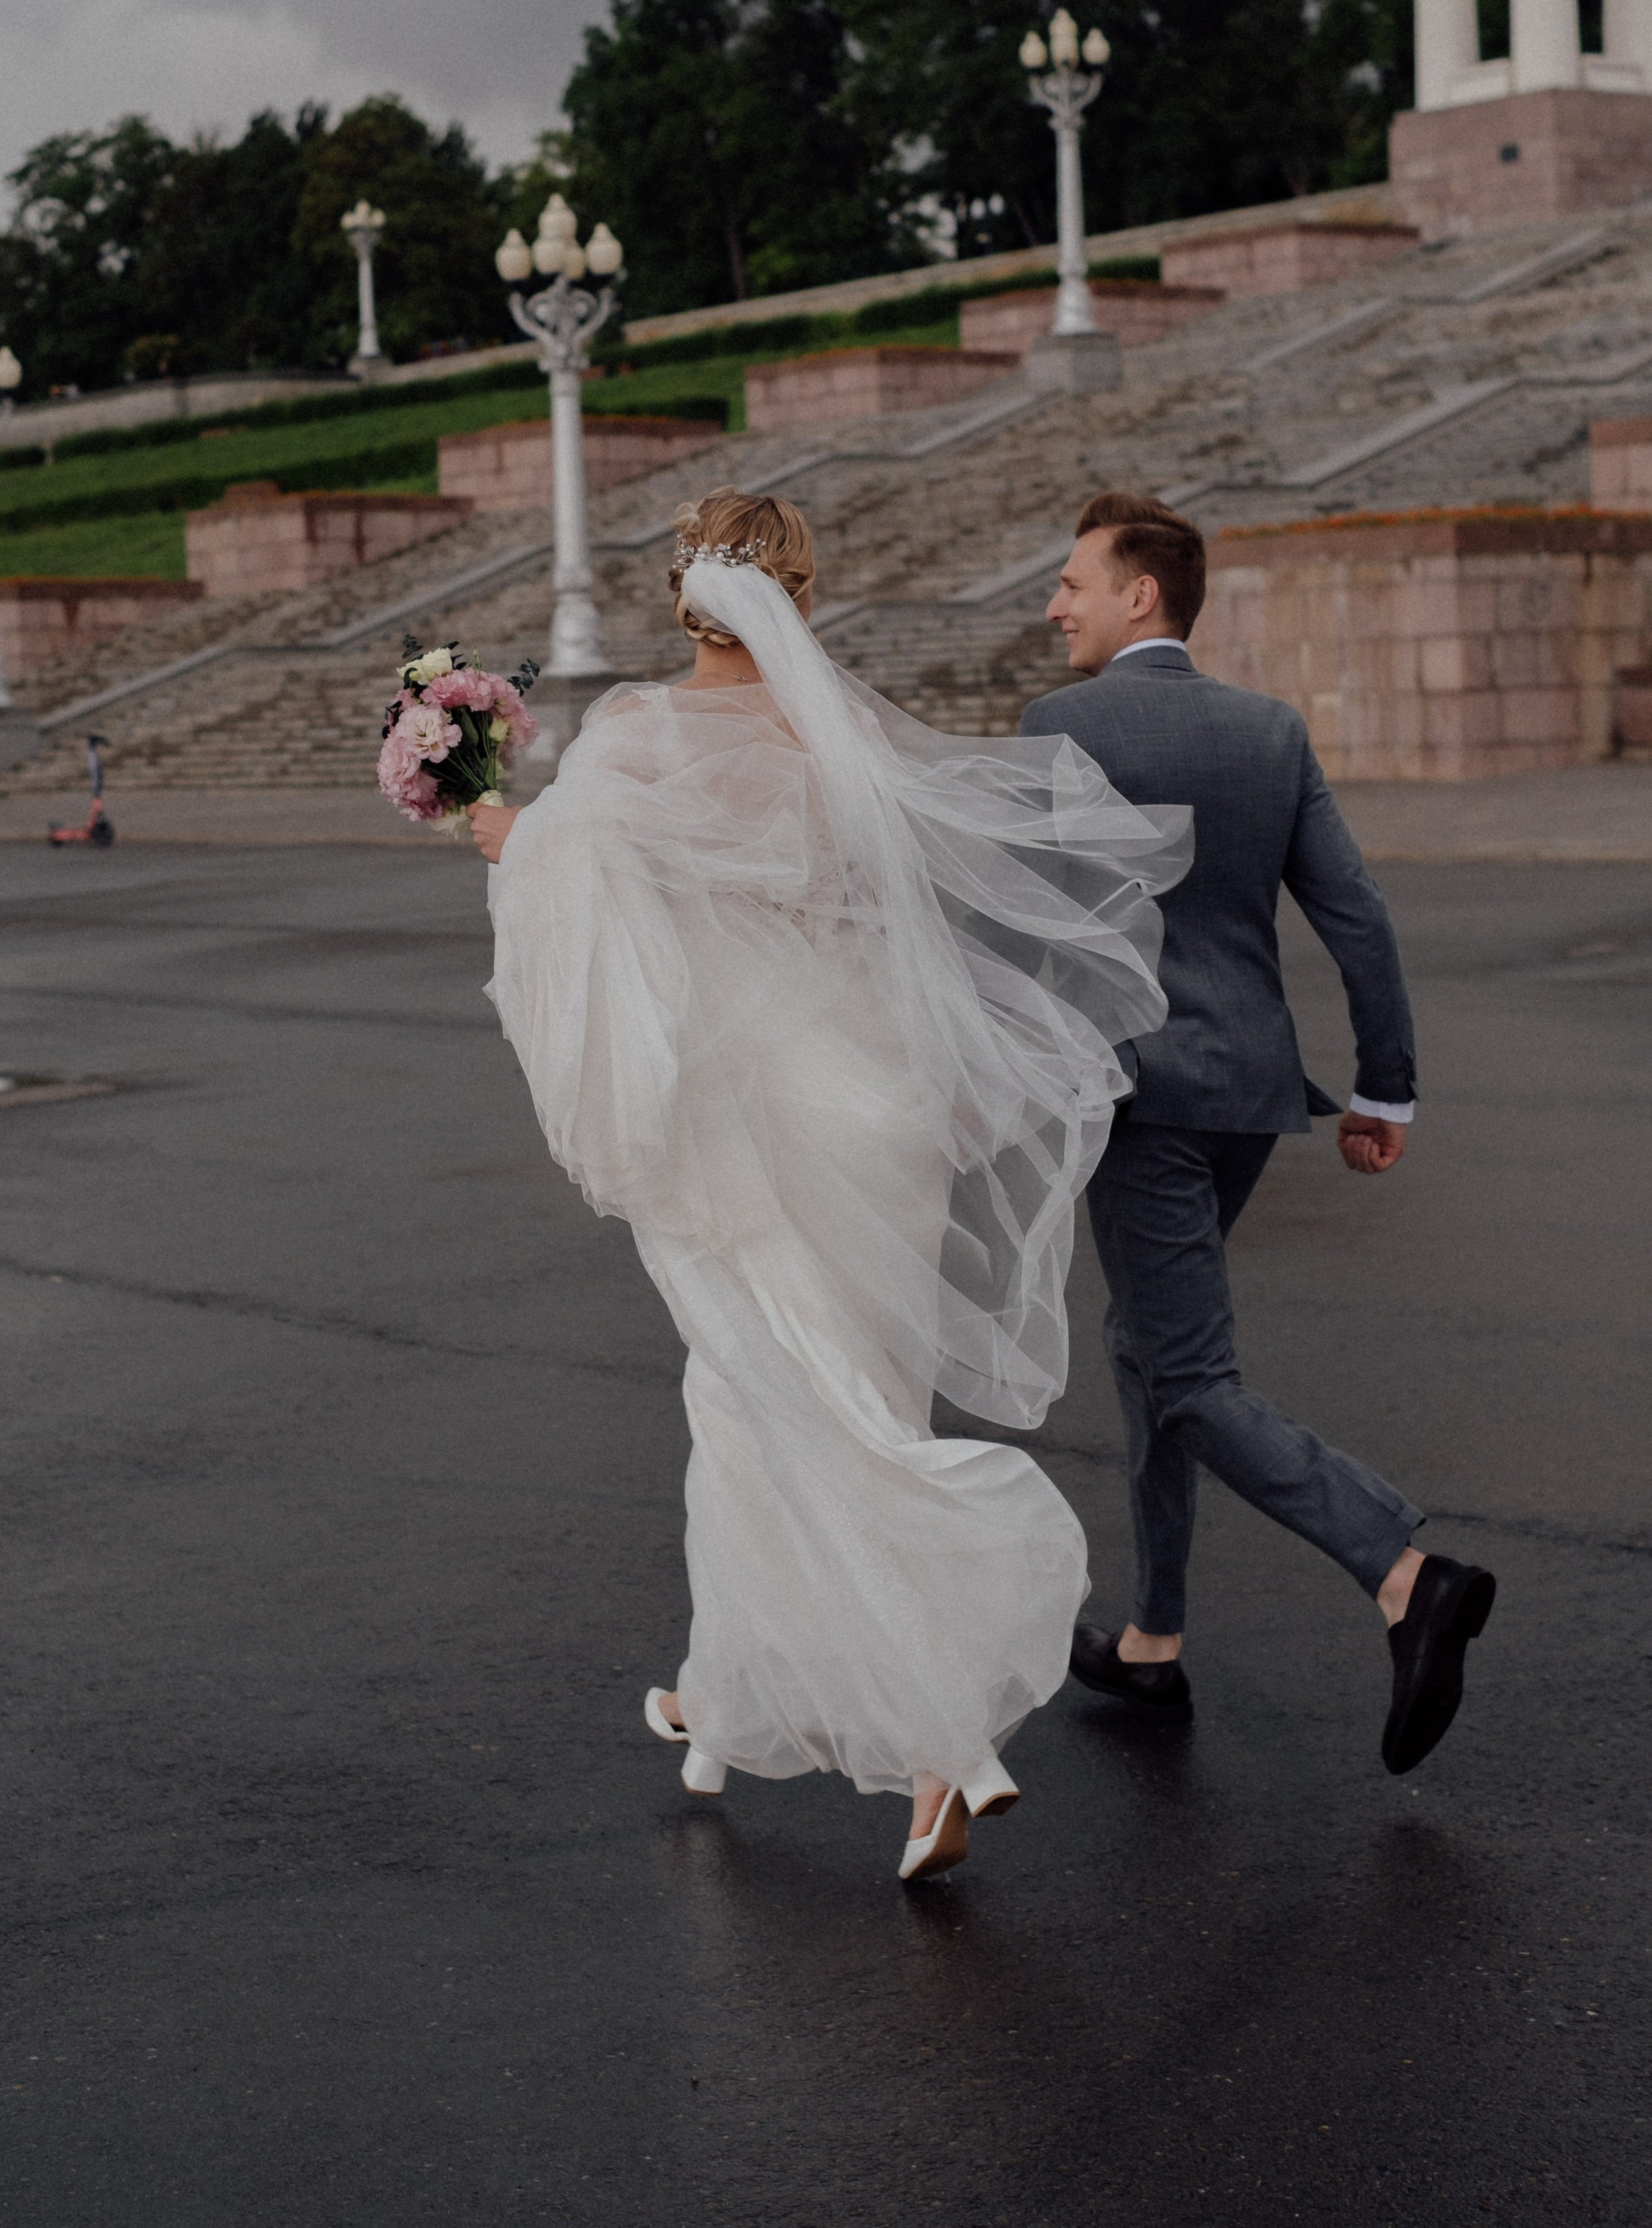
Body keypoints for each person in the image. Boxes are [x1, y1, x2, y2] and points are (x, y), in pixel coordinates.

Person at [470, 487, 1191, 1880]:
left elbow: (582, 908)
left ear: (688, 591)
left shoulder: (637, 736)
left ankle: (945, 1752)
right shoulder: (845, 734)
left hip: (749, 1126)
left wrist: (504, 834)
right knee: (762, 1398)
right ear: (794, 592)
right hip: (878, 1111)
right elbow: (888, 918)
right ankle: (721, 1694)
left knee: (816, 1417)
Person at [1022, 492, 1495, 1774]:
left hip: (1137, 1100)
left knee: (1188, 1377)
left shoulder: (1060, 728)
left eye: (1074, 582)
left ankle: (1403, 1575)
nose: (1053, 603)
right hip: (1246, 1097)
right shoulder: (1268, 731)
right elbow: (1359, 916)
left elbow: (1026, 923)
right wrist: (1383, 1090)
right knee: (1148, 1344)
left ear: (1141, 595)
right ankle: (1155, 1641)